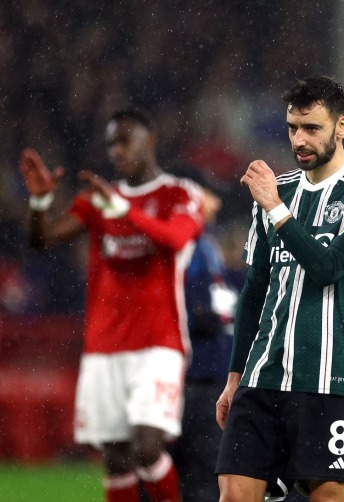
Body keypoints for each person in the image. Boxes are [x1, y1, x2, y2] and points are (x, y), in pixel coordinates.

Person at [214, 75, 344, 502]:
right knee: (234, 495)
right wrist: (235, 375)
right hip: (263, 377)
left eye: (312, 128)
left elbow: (329, 268)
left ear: (342, 126)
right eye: (293, 127)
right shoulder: (280, 190)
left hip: (328, 381)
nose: (300, 139)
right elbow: (255, 290)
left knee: (327, 496)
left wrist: (275, 208)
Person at [20, 108, 204, 502]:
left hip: (158, 342)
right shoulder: (97, 200)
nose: (117, 151)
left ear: (150, 139)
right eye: (111, 144)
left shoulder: (180, 193)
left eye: (126, 139)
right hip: (104, 346)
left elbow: (176, 239)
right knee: (116, 459)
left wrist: (125, 211)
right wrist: (39, 204)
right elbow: (43, 241)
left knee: (147, 448)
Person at [166, 165, 239, 502]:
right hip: (191, 378)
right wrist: (209, 317)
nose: (216, 204)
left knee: (203, 475)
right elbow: (182, 309)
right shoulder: (181, 245)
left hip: (209, 377)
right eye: (210, 195)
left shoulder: (204, 242)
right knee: (196, 476)